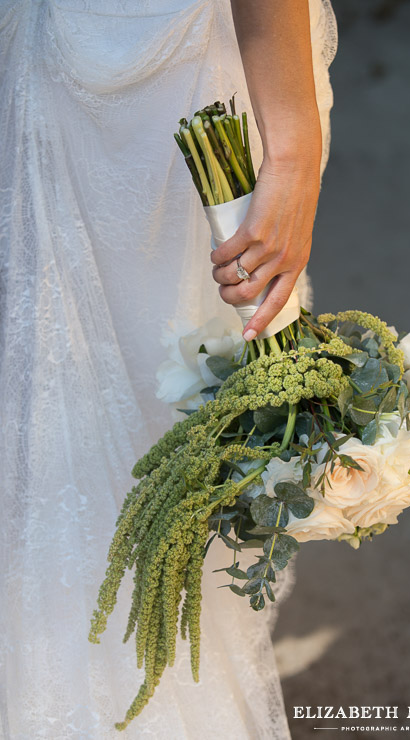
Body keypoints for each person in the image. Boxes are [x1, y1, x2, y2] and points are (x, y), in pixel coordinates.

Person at [0, 0, 337, 737]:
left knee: (162, 405)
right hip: (108, 76)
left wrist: (291, 154)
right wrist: (292, 153)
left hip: (150, 78)